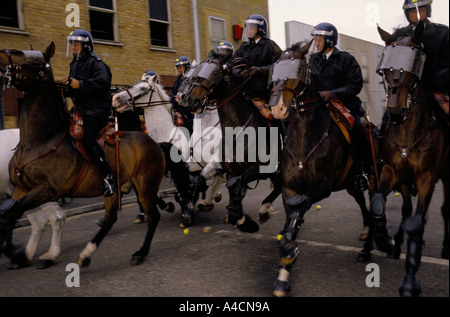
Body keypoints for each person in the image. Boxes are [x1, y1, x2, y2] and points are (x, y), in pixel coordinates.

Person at [309, 22, 371, 191]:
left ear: (329, 40)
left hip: (346, 107)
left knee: (357, 129)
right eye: (315, 39)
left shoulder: (346, 59)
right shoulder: (312, 60)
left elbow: (356, 84)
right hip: (319, 108)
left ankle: (364, 171)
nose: (316, 42)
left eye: (319, 39)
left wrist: (332, 93)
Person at [378, 0, 449, 137]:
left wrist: (432, 81)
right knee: (386, 119)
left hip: (437, 87)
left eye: (420, 10)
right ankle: (379, 154)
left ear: (427, 11)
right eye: (412, 12)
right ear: (407, 14)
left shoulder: (443, 33)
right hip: (408, 87)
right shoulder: (399, 35)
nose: (416, 15)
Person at [67, 29, 115, 197]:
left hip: (97, 110)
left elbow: (103, 82)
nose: (72, 47)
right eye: (71, 44)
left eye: (76, 44)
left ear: (85, 46)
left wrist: (80, 84)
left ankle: (108, 176)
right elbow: (74, 87)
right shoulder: (74, 63)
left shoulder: (97, 63)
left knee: (87, 139)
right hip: (81, 109)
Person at [231, 14, 282, 119]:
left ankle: (280, 133)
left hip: (265, 91)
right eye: (248, 28)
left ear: (260, 30)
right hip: (245, 90)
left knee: (274, 117)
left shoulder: (270, 45)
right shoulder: (244, 46)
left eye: (252, 28)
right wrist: (238, 72)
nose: (248, 31)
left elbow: (280, 65)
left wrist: (261, 70)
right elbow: (233, 62)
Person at [171, 56, 194, 135]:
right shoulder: (178, 79)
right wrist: (173, 99)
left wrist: (183, 99)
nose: (179, 69)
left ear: (187, 67)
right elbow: (173, 93)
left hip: (189, 110)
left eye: (181, 67)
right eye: (178, 67)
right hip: (179, 109)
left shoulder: (192, 78)